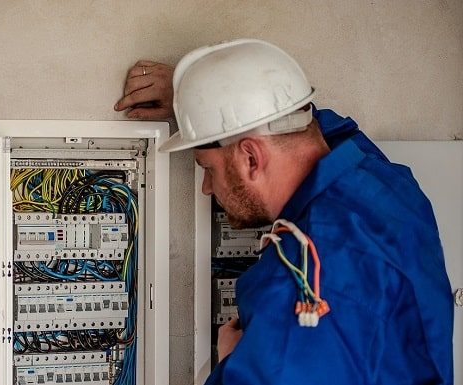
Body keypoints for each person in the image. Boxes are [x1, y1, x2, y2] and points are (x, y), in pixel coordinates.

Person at [115, 39, 453, 384]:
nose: (206, 188)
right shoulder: (388, 185)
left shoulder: (299, 285)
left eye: (207, 168)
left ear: (251, 158)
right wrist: (201, 104)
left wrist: (232, 363)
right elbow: (311, 123)